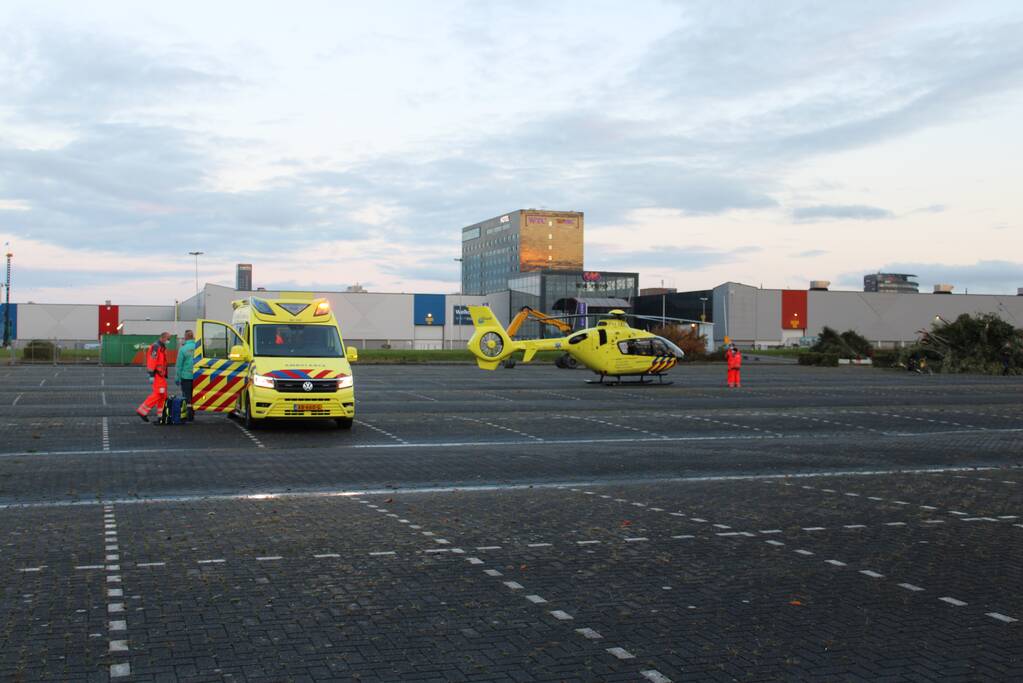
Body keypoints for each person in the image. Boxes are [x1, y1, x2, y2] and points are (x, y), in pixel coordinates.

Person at [136, 332, 171, 422]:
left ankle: (161, 416)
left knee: (163, 395)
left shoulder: (161, 347)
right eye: (168, 339)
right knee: (159, 394)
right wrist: (151, 374)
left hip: (161, 375)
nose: (169, 341)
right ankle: (142, 411)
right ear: (163, 338)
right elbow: (152, 360)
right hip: (157, 375)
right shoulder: (156, 347)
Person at [176, 329, 197, 421]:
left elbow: (179, 365)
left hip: (186, 377)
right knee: (195, 396)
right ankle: (193, 412)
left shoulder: (183, 349)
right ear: (192, 336)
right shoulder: (198, 347)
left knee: (187, 396)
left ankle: (189, 414)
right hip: (198, 376)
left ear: (186, 337)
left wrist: (178, 377)